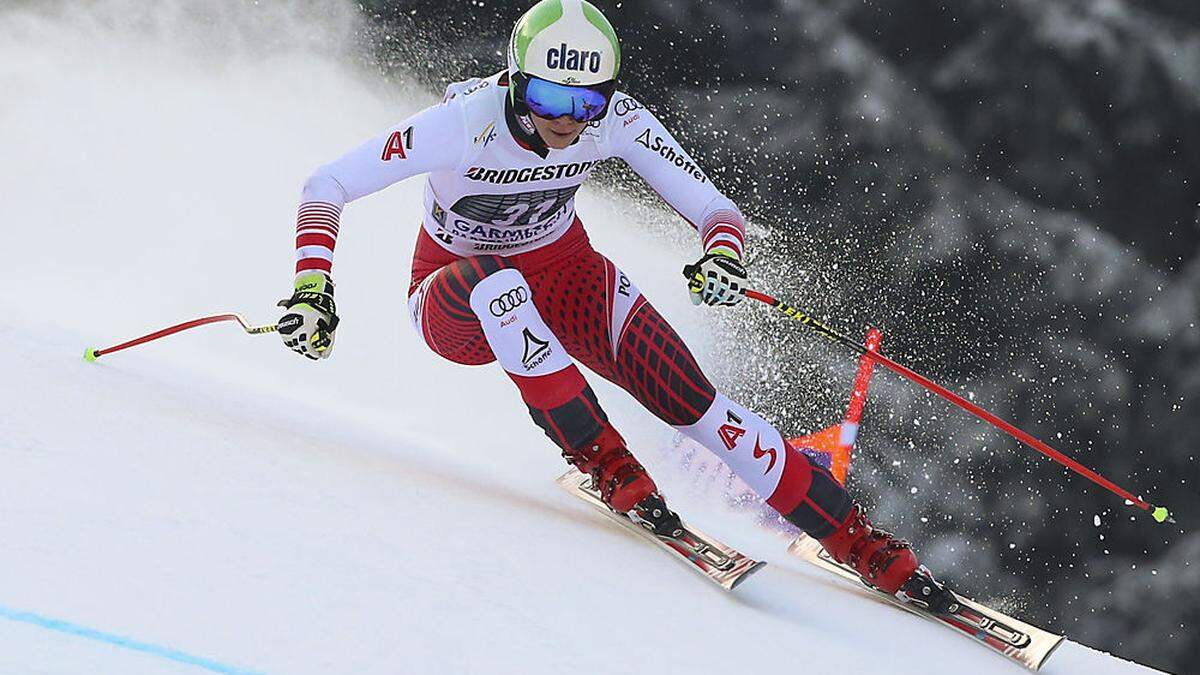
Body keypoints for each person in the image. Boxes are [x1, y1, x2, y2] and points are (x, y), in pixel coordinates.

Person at [278, 0, 928, 597]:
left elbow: (713, 207)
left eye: (585, 104)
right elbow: (327, 183)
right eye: (548, 96)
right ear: (513, 82)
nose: (565, 119)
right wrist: (314, 285)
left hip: (567, 275)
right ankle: (611, 465)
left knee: (696, 405)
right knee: (499, 281)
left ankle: (860, 541)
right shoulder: (462, 124)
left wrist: (723, 252)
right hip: (454, 296)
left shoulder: (616, 121)